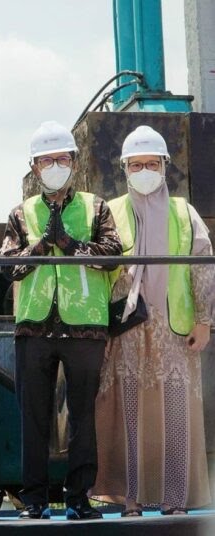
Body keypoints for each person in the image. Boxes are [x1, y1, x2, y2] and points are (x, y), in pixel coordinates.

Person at [0, 121, 121, 520]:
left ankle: (79, 497)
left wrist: (72, 246)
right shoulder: (21, 213)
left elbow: (113, 253)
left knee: (83, 414)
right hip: (34, 325)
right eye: (46, 160)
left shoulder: (95, 206)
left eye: (62, 158)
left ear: (74, 161)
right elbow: (5, 266)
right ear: (34, 167)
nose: (55, 165)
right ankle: (34, 498)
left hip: (84, 324)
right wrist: (38, 247)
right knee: (33, 416)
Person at [94, 126, 213, 516]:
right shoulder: (109, 211)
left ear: (164, 166)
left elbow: (202, 267)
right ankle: (129, 499)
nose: (144, 170)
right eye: (136, 164)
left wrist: (205, 320)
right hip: (127, 327)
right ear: (125, 169)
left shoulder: (184, 211)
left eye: (151, 163)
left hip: (174, 326)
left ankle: (175, 499)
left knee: (176, 413)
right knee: (129, 414)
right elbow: (98, 272)